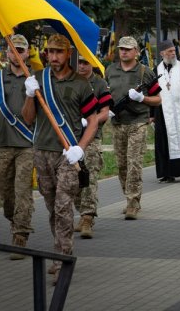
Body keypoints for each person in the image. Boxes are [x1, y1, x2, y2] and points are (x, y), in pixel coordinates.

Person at [21, 34, 98, 285]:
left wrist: (81, 148)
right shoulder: (38, 79)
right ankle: (60, 251)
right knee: (53, 207)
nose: (54, 57)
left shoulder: (81, 84)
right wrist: (30, 94)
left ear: (69, 54)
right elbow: (28, 118)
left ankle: (61, 260)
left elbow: (94, 120)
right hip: (41, 152)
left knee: (64, 208)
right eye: (50, 52)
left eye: (59, 52)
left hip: (67, 154)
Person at [0, 34, 35, 259]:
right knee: (5, 193)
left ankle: (20, 235)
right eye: (13, 50)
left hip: (28, 143)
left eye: (21, 50)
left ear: (27, 52)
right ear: (7, 53)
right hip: (3, 144)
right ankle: (15, 221)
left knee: (23, 191)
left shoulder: (36, 78)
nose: (17, 54)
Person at [105, 36, 161, 219]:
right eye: (121, 49)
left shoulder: (145, 72)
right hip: (118, 123)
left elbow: (158, 100)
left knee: (134, 163)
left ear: (136, 51)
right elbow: (105, 95)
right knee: (122, 165)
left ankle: (132, 202)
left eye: (128, 49)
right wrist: (107, 111)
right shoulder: (110, 70)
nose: (124, 52)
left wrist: (142, 99)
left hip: (138, 122)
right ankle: (128, 197)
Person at [73, 56, 112, 239]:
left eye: (85, 62)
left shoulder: (99, 84)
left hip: (91, 137)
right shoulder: (69, 81)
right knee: (73, 180)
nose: (81, 65)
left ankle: (88, 217)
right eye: (79, 62)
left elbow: (105, 112)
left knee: (89, 178)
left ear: (92, 63)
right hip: (70, 138)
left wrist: (91, 121)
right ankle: (81, 212)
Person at [153, 39, 180, 183]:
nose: (173, 54)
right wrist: (151, 115)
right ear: (162, 53)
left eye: (174, 51)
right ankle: (168, 173)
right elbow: (152, 93)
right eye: (170, 51)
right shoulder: (156, 71)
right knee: (164, 141)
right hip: (162, 113)